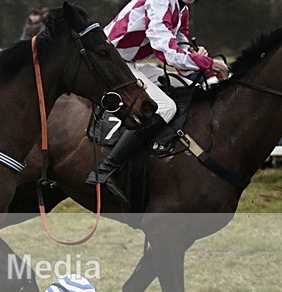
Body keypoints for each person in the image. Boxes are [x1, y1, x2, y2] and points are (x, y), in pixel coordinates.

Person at [87, 0, 229, 206]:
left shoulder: (182, 8)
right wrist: (208, 64)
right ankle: (106, 170)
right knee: (166, 107)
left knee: (191, 88)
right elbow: (165, 50)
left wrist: (200, 60)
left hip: (127, 63)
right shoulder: (160, 1)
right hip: (111, 64)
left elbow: (180, 49)